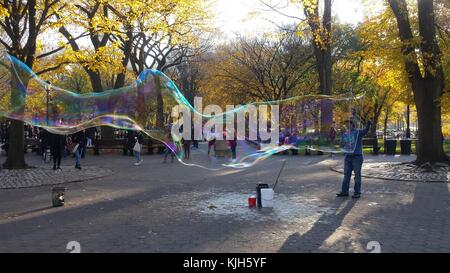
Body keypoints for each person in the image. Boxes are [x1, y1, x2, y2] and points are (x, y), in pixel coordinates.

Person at [336, 120, 371, 199]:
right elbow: (341, 145)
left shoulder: (358, 132)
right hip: (348, 157)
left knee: (357, 175)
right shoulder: (345, 134)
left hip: (357, 157)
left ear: (352, 125)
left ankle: (357, 192)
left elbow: (365, 130)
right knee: (346, 175)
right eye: (345, 125)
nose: (346, 126)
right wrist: (342, 143)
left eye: (348, 124)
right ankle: (344, 192)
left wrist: (368, 125)